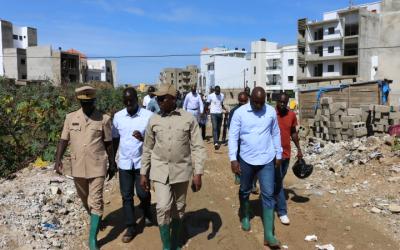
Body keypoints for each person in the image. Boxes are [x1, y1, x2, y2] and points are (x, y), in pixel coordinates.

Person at [140, 84, 206, 250]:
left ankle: (175, 242)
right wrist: (143, 173)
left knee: (179, 208)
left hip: (181, 171)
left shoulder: (188, 119)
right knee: (162, 207)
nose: (159, 101)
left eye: (163, 98)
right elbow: (147, 147)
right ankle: (167, 246)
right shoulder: (153, 119)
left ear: (173, 99)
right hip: (160, 170)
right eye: (158, 98)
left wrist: (198, 173)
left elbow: (198, 146)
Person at [54, 86, 116, 250]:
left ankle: (93, 239)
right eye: (84, 102)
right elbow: (63, 140)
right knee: (85, 198)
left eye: (90, 102)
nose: (87, 105)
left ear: (94, 101)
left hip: (97, 165)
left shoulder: (104, 118)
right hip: (78, 165)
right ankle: (96, 217)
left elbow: (109, 143)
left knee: (95, 200)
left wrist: (112, 163)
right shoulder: (70, 118)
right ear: (79, 101)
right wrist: (58, 159)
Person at [228, 87, 282, 249]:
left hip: (266, 159)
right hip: (246, 159)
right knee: (245, 190)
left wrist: (278, 153)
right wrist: (233, 159)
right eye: (255, 102)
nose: (258, 105)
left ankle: (269, 235)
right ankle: (245, 215)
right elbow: (233, 136)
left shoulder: (271, 111)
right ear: (250, 98)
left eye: (261, 102)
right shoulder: (240, 113)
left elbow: (275, 133)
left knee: (268, 194)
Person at [112, 87, 154, 243]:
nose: (129, 103)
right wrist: (112, 160)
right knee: (126, 195)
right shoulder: (118, 117)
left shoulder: (148, 116)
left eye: (131, 100)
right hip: (124, 163)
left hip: (141, 162)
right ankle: (131, 226)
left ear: (137, 99)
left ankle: (147, 210)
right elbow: (115, 139)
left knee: (143, 193)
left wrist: (143, 138)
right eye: (126, 101)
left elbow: (154, 139)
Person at [275, 92, 303, 225]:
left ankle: (271, 197)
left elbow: (293, 133)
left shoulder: (291, 115)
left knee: (278, 179)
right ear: (276, 101)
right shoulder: (270, 114)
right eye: (280, 102)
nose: (282, 104)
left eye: (284, 102)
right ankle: (282, 211)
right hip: (273, 155)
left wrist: (299, 149)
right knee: (278, 182)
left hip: (286, 154)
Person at [227, 92, 249, 185]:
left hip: (248, 140)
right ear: (238, 101)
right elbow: (230, 126)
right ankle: (238, 176)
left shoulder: (250, 111)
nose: (243, 103)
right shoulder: (234, 111)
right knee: (237, 158)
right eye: (241, 101)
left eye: (245, 101)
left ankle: (251, 182)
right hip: (238, 139)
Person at [206, 85, 225, 150]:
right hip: (213, 113)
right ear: (215, 91)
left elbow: (221, 104)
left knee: (219, 128)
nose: (218, 92)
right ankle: (216, 142)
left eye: (219, 91)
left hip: (220, 113)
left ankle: (217, 139)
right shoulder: (211, 96)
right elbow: (207, 103)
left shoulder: (222, 95)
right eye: (217, 91)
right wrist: (204, 111)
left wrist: (225, 109)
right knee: (214, 128)